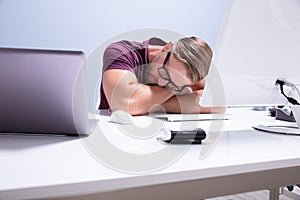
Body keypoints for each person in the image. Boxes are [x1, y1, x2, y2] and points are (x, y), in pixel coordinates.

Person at [99, 36, 224, 115]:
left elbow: (214, 103)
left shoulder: (187, 73)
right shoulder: (122, 52)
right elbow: (123, 104)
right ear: (166, 48)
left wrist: (145, 105)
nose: (161, 84)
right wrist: (178, 99)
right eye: (165, 73)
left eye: (173, 86)